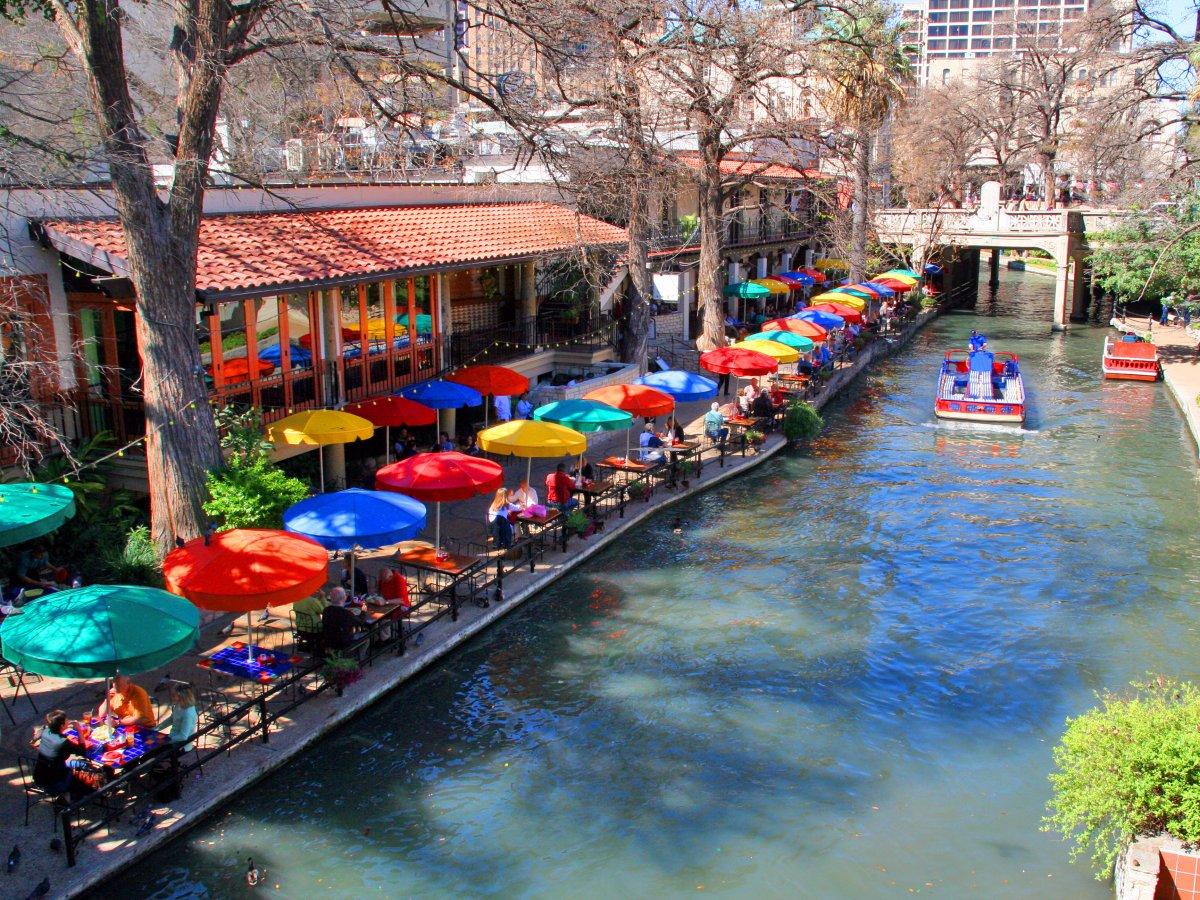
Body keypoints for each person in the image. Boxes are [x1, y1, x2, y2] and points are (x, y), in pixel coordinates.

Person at [33, 710, 96, 800]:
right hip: (55, 784)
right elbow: (82, 751)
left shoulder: (46, 732)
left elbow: (41, 730)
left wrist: (34, 739)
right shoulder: (63, 742)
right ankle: (73, 796)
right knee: (84, 765)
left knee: (80, 764)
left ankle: (70, 794)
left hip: (39, 778)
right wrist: (79, 730)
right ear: (62, 726)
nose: (69, 721)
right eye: (67, 720)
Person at [164, 682, 198, 754]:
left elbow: (183, 736)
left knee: (152, 752)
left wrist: (166, 741)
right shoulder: (179, 705)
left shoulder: (188, 713)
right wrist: (157, 728)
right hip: (173, 737)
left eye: (173, 695)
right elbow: (171, 719)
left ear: (181, 697)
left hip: (182, 745)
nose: (171, 697)